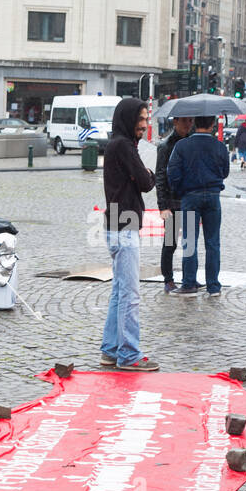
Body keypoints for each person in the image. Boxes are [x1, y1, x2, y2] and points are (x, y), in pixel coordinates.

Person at [101, 98, 158, 371]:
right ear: (128, 119)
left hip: (116, 225)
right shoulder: (123, 145)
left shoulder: (118, 144)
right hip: (124, 227)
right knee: (130, 294)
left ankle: (111, 350)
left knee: (119, 291)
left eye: (147, 120)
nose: (145, 125)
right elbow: (146, 182)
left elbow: (140, 179)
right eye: (142, 120)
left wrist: (144, 174)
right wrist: (148, 173)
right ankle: (129, 355)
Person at [167, 113, 231, 297]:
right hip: (213, 196)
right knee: (213, 242)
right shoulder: (219, 146)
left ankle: (189, 283)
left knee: (190, 241)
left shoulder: (182, 146)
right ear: (212, 124)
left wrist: (180, 189)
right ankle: (213, 286)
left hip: (190, 196)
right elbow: (225, 171)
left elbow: (173, 173)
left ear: (194, 122)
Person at [154, 114, 194, 293]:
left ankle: (189, 277)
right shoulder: (166, 145)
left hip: (189, 198)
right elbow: (160, 176)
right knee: (170, 242)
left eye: (191, 120)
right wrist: (163, 205)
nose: (188, 124)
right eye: (185, 120)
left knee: (190, 241)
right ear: (175, 122)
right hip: (172, 200)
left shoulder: (193, 142)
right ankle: (168, 279)